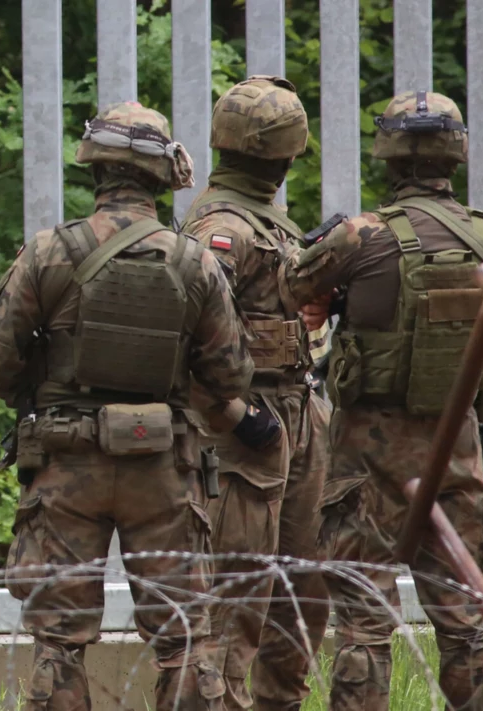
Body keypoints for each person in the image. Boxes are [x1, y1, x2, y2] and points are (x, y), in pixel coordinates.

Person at [0, 101, 261, 711]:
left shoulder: (50, 251)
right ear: (163, 176)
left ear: (96, 169)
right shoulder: (196, 262)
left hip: (65, 465)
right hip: (163, 466)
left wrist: (46, 394)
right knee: (183, 639)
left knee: (60, 643)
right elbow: (232, 374)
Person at [278, 90, 483, 710]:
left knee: (364, 625)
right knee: (466, 624)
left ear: (387, 154)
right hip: (456, 453)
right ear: (456, 154)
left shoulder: (361, 236)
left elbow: (290, 286)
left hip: (368, 459)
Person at [179, 75, 330, 711]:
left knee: (304, 594)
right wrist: (237, 416)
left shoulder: (266, 222)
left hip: (295, 413)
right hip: (245, 429)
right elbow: (184, 338)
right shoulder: (220, 228)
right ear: (287, 153)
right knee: (236, 601)